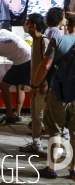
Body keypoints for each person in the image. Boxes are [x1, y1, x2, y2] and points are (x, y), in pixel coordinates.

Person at [29, 14, 75, 179]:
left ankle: (52, 168)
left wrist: (35, 85)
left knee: (54, 131)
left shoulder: (59, 41)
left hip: (59, 93)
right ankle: (73, 169)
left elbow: (45, 66)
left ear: (67, 25)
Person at [16, 13, 49, 154]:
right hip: (34, 86)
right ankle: (36, 144)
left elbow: (47, 64)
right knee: (35, 116)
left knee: (42, 116)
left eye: (27, 23)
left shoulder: (44, 41)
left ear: (33, 26)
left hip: (42, 87)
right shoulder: (35, 41)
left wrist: (43, 84)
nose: (25, 26)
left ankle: (59, 145)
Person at [0, 28, 31, 124]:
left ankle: (10, 115)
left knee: (4, 86)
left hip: (22, 60)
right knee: (20, 86)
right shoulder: (1, 31)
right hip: (28, 55)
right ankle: (17, 114)